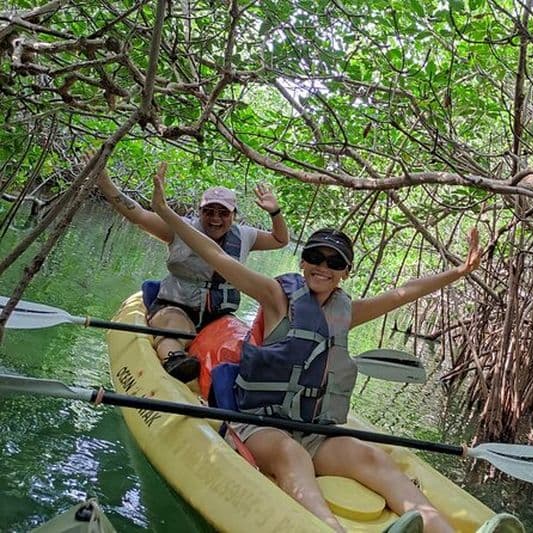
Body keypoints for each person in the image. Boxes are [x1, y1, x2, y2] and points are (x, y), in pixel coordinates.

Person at [150, 164, 480, 533]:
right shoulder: (275, 297)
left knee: (371, 457)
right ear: (303, 261)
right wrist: (164, 212)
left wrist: (458, 272)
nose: (323, 267)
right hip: (259, 424)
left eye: (334, 262)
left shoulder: (347, 312)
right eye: (316, 258)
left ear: (345, 272)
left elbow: (406, 290)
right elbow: (217, 256)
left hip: (311, 429)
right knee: (290, 456)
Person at [95, 159, 289, 382]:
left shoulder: (246, 236)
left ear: (233, 215)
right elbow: (137, 215)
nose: (215, 219)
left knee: (239, 347)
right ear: (200, 211)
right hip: (177, 307)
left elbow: (280, 239)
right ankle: (175, 360)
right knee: (175, 329)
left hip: (217, 316)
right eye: (209, 211)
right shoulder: (178, 229)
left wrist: (275, 212)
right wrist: (104, 181)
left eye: (223, 213)